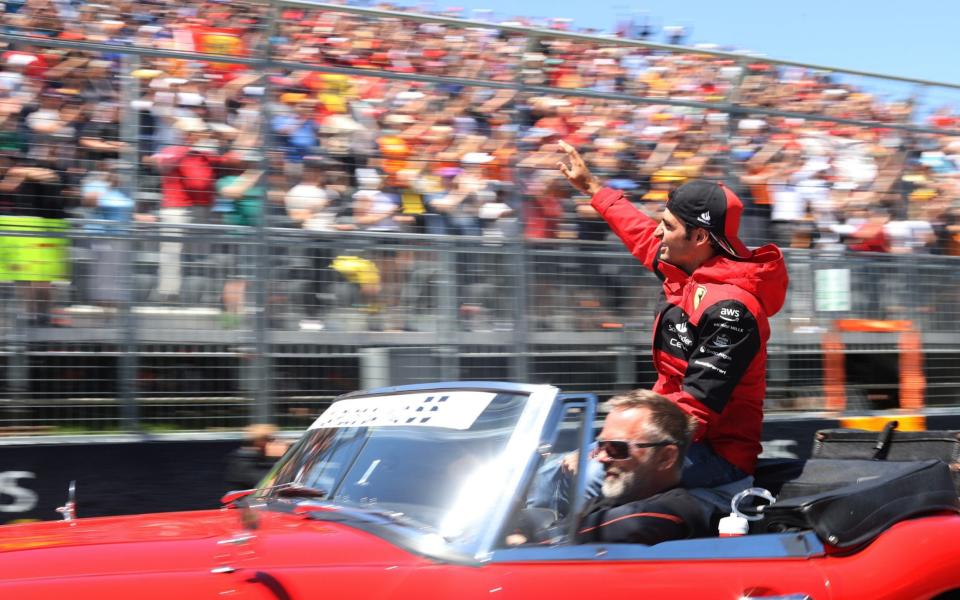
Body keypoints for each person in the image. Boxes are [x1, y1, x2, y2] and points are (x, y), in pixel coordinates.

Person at [556, 139, 789, 491]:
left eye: (667, 225)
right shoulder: (684, 268)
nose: (657, 232)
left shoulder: (733, 310)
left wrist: (613, 450)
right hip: (661, 438)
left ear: (698, 236)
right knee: (549, 473)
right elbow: (639, 234)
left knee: (587, 484)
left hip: (712, 454)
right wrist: (592, 188)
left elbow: (694, 411)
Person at [515, 390, 709, 546]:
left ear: (666, 457)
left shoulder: (674, 510)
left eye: (616, 448)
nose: (601, 457)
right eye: (601, 446)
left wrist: (530, 542)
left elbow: (633, 523)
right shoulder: (604, 503)